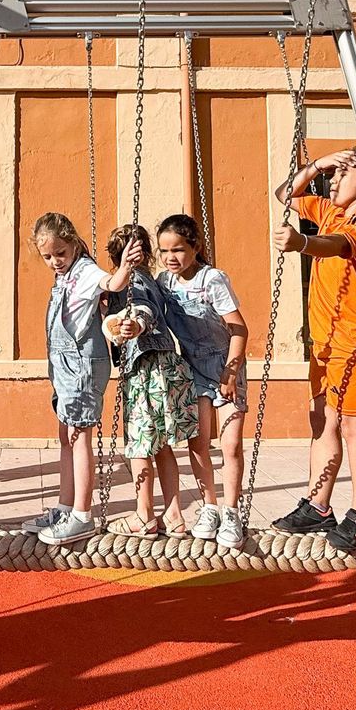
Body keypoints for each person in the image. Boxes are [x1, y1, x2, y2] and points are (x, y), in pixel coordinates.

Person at [270, 148, 356, 552]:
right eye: (333, 175)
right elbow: (284, 194)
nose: (333, 181)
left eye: (343, 174)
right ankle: (318, 505)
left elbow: (338, 246)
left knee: (353, 426)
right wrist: (319, 164)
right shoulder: (328, 209)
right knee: (322, 423)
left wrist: (301, 241)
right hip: (327, 344)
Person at [26, 212, 127, 547]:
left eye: (61, 253)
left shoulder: (84, 271)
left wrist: (124, 267)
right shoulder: (64, 275)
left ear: (73, 244)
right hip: (63, 364)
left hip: (82, 362)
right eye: (48, 257)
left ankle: (83, 514)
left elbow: (110, 284)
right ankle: (65, 506)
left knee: (79, 434)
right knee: (65, 435)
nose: (55, 261)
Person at [155, 213, 250, 550]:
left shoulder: (213, 280)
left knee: (230, 444)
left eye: (178, 249)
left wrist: (231, 372)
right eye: (163, 251)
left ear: (195, 247)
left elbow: (239, 328)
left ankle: (231, 510)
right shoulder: (164, 282)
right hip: (191, 367)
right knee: (198, 444)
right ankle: (209, 507)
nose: (170, 258)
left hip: (224, 364)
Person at [101, 223, 196, 538]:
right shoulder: (152, 279)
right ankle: (174, 515)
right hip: (167, 364)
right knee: (163, 447)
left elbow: (141, 309)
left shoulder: (134, 280)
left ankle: (144, 514)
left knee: (140, 445)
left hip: (144, 368)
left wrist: (135, 325)